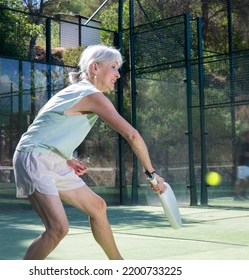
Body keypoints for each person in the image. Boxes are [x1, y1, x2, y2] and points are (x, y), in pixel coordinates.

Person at [13, 44, 166, 260]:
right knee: (58, 229)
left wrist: (66, 157)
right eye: (113, 67)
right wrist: (151, 174)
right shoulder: (91, 95)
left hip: (51, 158)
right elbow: (132, 135)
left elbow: (50, 126)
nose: (118, 74)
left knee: (98, 206)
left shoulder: (79, 91)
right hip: (35, 158)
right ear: (95, 67)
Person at [233, 130, 249, 201]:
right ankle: (236, 195)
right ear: (246, 136)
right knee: (240, 179)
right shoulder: (244, 144)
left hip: (247, 165)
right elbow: (246, 154)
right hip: (242, 164)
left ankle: (242, 193)